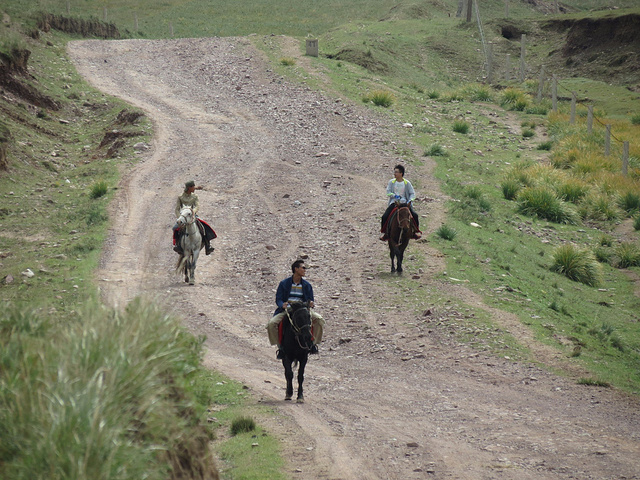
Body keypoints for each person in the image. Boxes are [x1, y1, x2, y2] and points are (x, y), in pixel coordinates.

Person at [267, 259, 325, 359]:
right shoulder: (284, 283)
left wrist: (310, 303)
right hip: (288, 309)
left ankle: (313, 344)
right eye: (303, 268)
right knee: (271, 324)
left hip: (302, 309)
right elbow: (279, 299)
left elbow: (310, 299)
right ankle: (280, 346)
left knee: (319, 320)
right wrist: (282, 305)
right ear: (296, 269)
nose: (305, 270)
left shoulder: (307, 285)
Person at [173, 180, 216, 255]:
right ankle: (178, 245)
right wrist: (180, 217)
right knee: (175, 228)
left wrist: (192, 212)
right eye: (193, 186)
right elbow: (177, 209)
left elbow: (197, 206)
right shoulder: (180, 197)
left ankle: (208, 246)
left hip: (192, 216)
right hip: (183, 217)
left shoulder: (195, 196)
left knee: (204, 227)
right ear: (189, 188)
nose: (194, 188)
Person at [379, 164, 421, 241]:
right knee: (385, 216)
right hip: (394, 203)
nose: (394, 174)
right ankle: (385, 232)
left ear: (401, 173)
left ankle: (415, 231)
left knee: (415, 215)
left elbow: (412, 193)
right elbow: (388, 192)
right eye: (394, 172)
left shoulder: (407, 183)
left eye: (396, 172)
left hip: (405, 203)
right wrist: (394, 196)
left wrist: (410, 200)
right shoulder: (391, 182)